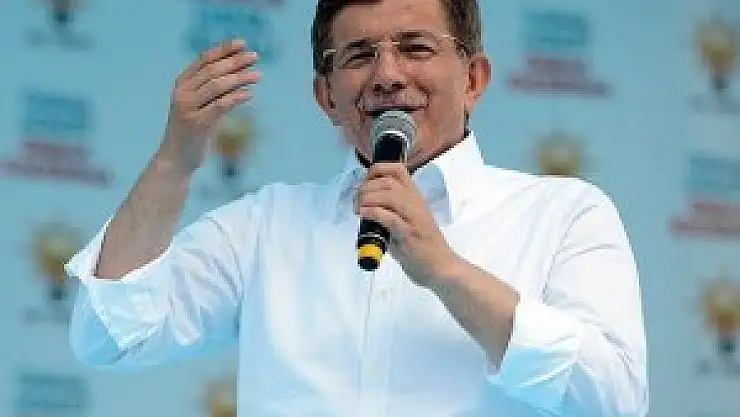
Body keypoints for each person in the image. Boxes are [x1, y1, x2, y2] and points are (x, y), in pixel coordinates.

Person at [65, 0, 649, 416]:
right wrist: (176, 159)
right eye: (359, 56)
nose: (387, 76)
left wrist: (445, 271)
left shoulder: (563, 214)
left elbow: (614, 398)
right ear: (326, 96)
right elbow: (110, 337)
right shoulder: (266, 226)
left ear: (474, 79)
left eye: (415, 48)